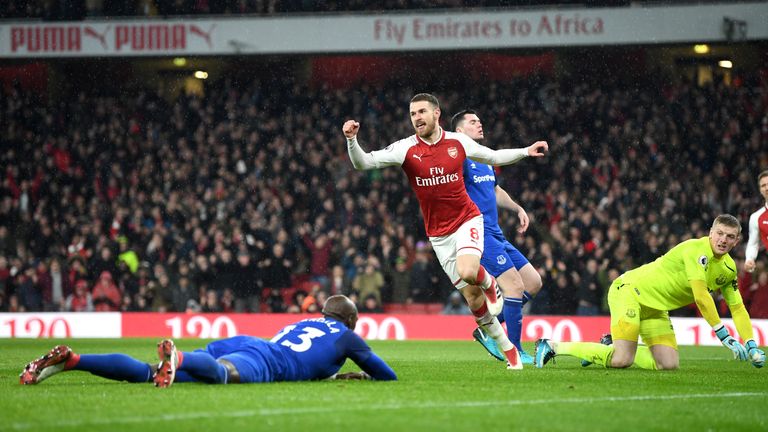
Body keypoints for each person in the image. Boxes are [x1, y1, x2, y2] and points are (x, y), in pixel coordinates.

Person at [343, 93, 548, 369]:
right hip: (439, 235)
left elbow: (494, 155)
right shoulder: (405, 149)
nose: (417, 117)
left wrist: (525, 151)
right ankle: (509, 350)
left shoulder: (457, 141)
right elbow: (363, 163)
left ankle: (490, 285)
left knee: (469, 272)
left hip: (468, 220)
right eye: (413, 113)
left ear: (436, 113)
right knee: (473, 301)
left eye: (422, 112)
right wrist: (352, 140)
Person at [534, 215, 766, 370]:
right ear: (710, 232)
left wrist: (751, 343)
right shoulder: (696, 249)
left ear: (737, 242)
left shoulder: (728, 269)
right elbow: (700, 296)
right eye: (720, 233)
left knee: (668, 365)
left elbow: (737, 307)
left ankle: (607, 345)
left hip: (656, 308)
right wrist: (723, 334)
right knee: (622, 359)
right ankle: (553, 346)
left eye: (730, 236)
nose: (723, 240)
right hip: (629, 292)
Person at [20, 295, 397, 386]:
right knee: (220, 376)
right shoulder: (348, 336)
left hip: (249, 342)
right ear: (351, 321)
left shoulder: (305, 320)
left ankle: (75, 360)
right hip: (269, 362)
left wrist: (334, 377)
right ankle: (179, 357)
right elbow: (386, 375)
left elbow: (313, 356)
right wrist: (357, 373)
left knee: (150, 374)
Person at [451, 109, 544, 364]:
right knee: (514, 286)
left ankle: (487, 328)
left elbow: (494, 190)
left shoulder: (485, 158)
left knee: (533, 282)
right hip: (479, 233)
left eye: (480, 120)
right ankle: (515, 350)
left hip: (497, 232)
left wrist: (518, 208)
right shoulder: (458, 160)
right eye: (472, 122)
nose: (479, 124)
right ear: (460, 131)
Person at [744, 170, 768, 274]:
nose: (767, 188)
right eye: (763, 185)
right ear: (760, 190)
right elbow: (753, 244)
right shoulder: (756, 218)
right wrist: (749, 259)